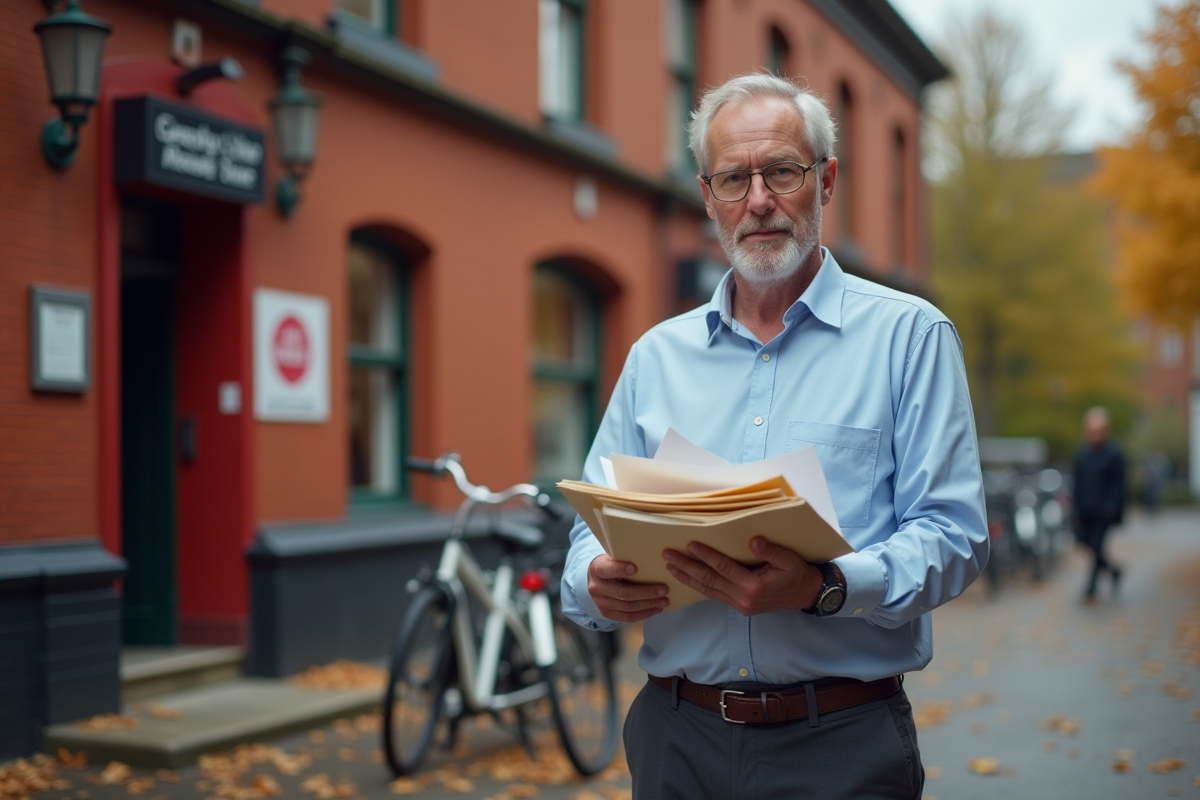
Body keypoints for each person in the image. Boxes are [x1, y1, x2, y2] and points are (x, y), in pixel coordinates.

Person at [560, 73, 989, 799]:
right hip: (676, 741)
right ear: (708, 197)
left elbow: (956, 534)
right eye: (734, 178)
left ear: (824, 182)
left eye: (781, 172)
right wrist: (593, 583)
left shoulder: (909, 337)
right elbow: (590, 525)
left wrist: (827, 587)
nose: (758, 201)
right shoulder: (655, 357)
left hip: (841, 744)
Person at [1072, 406, 1126, 601]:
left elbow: (1118, 484)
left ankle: (1091, 587)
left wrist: (1113, 505)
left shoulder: (1114, 454)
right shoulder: (1082, 454)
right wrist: (1074, 509)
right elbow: (1076, 483)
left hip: (1104, 512)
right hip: (1085, 510)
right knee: (1089, 546)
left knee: (1095, 545)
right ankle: (1113, 571)